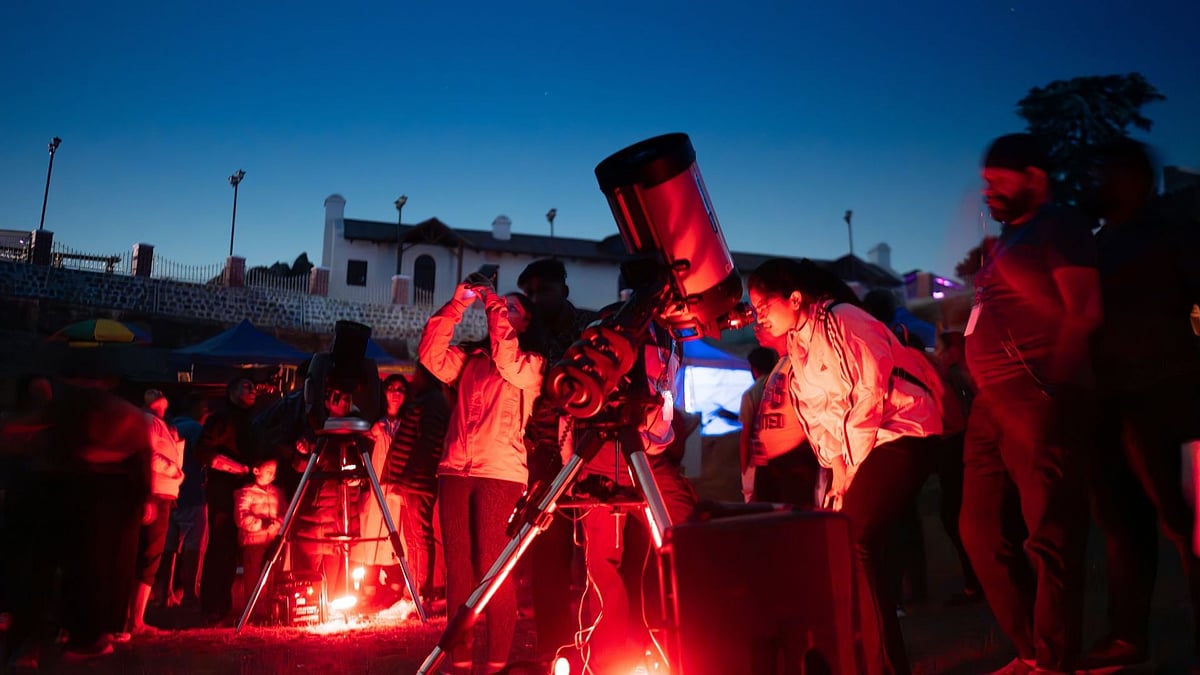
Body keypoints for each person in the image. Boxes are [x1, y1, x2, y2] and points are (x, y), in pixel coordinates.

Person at [748, 257, 944, 675]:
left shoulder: (841, 318)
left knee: (856, 540)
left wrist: (849, 470)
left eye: (764, 305)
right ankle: (865, 657)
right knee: (844, 543)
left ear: (795, 298)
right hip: (864, 447)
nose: (758, 316)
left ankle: (886, 665)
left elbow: (869, 391)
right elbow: (816, 417)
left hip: (905, 428)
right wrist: (837, 468)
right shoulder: (798, 350)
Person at [960, 133, 1102, 674]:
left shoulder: (1059, 225)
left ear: (1035, 177)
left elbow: (1084, 310)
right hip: (990, 404)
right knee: (980, 531)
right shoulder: (1007, 242)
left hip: (1035, 396)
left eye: (1000, 179)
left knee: (1049, 534)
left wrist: (1052, 389)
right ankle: (1031, 650)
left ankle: (1056, 660)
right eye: (985, 181)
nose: (988, 189)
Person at [1082, 138, 1200, 668]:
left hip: (1169, 396)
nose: (1094, 183)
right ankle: (1127, 636)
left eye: (1104, 172)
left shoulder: (1170, 230)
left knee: (1186, 523)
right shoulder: (1101, 243)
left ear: (1134, 179)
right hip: (1114, 402)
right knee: (1122, 524)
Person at [420, 275, 546, 675]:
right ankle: (459, 663)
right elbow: (430, 354)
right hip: (456, 469)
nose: (502, 312)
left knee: (493, 568)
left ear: (525, 323)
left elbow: (507, 358)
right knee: (458, 568)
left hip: (502, 474)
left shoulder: (532, 365)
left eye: (513, 310)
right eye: (499, 307)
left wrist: (491, 300)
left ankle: (493, 667)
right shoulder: (471, 360)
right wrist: (458, 303)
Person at [516, 257, 599, 662]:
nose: (535, 299)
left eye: (543, 290)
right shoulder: (525, 334)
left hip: (591, 451)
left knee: (597, 555)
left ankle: (600, 641)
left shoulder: (590, 328)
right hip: (542, 457)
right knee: (547, 556)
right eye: (529, 293)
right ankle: (556, 649)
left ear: (563, 290)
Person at [375, 366, 450, 606]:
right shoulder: (426, 400)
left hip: (417, 481)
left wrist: (409, 475)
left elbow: (428, 441)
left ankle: (421, 591)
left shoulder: (432, 402)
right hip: (412, 481)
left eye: (417, 372)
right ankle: (414, 589)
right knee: (413, 538)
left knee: (419, 535)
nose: (413, 377)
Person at [197, 377, 260, 625]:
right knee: (221, 548)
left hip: (247, 493)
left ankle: (238, 604)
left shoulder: (255, 421)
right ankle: (214, 606)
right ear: (231, 391)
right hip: (224, 494)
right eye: (246, 385)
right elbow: (204, 453)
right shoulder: (220, 420)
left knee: (237, 552)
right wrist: (237, 468)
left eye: (252, 386)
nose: (253, 389)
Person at [123, 389, 186, 637]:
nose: (158, 391)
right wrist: (171, 472)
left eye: (160, 389)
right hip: (155, 491)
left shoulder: (164, 427)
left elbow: (175, 463)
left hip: (165, 493)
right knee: (146, 554)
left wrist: (177, 443)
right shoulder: (148, 422)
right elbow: (145, 455)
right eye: (150, 390)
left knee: (152, 554)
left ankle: (135, 618)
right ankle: (133, 619)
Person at [741, 330, 821, 508]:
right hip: (771, 464)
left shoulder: (800, 360)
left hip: (793, 464)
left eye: (765, 310)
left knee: (794, 525)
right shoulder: (781, 364)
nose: (758, 326)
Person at [158, 396, 210, 609]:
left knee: (167, 548)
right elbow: (206, 457)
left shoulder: (164, 428)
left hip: (167, 494)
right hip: (193, 495)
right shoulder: (196, 429)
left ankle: (164, 595)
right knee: (193, 546)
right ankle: (189, 594)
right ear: (199, 409)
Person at [233, 456, 283, 615]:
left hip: (272, 542)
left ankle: (270, 611)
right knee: (254, 578)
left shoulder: (277, 493)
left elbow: (285, 513)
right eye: (269, 471)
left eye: (274, 473)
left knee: (271, 578)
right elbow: (241, 517)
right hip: (253, 543)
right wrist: (261, 524)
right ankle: (253, 613)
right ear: (256, 471)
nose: (272, 475)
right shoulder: (246, 493)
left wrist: (278, 524)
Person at [738, 345, 777, 502]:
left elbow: (745, 438)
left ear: (753, 368)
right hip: (782, 461)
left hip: (759, 463)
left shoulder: (750, 394)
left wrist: (745, 472)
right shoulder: (780, 385)